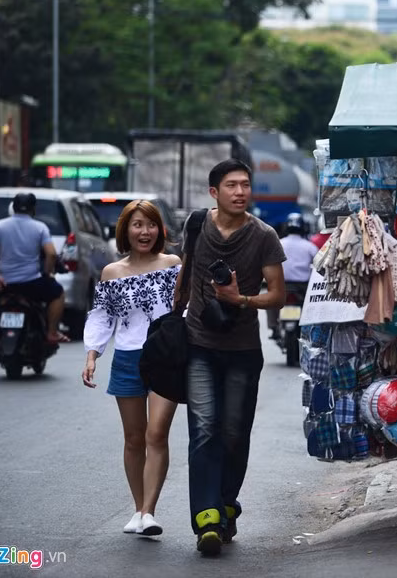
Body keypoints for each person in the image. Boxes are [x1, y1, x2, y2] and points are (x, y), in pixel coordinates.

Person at [180, 159, 285, 556]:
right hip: (199, 344)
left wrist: (240, 299)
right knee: (204, 428)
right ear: (214, 192)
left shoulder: (264, 236)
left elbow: (277, 295)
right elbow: (185, 276)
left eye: (245, 185)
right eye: (231, 186)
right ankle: (207, 517)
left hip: (243, 349)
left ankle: (226, 503)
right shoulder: (195, 225)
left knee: (234, 433)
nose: (240, 192)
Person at [81, 200, 182, 535]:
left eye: (151, 225)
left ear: (160, 230)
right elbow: (101, 315)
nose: (145, 232)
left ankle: (150, 512)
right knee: (134, 438)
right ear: (125, 229)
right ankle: (138, 510)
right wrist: (93, 353)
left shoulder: (172, 265)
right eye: (137, 225)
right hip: (127, 358)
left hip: (165, 358)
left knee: (157, 433)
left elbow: (185, 309)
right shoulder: (112, 272)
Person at [0, 192, 69, 344]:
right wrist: (47, 274)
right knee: (58, 294)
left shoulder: (0, 226)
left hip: (3, 283)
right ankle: (52, 332)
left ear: (13, 208)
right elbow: (51, 254)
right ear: (33, 209)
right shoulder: (40, 227)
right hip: (31, 284)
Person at [266, 213, 319, 339]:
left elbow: (268, 263)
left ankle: (273, 327)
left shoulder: (278, 243)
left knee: (270, 301)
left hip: (281, 285)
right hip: (303, 287)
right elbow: (319, 264)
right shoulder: (309, 246)